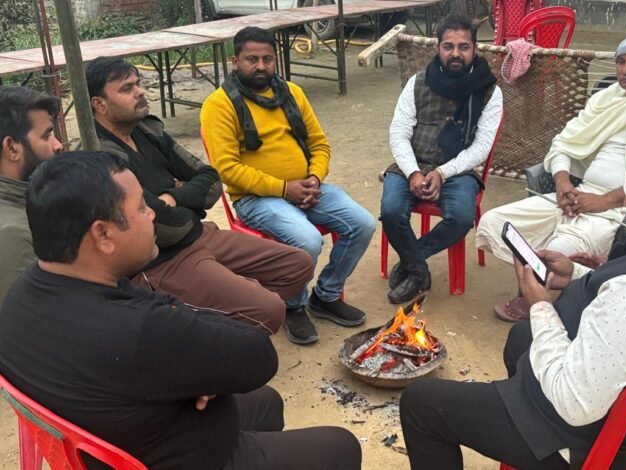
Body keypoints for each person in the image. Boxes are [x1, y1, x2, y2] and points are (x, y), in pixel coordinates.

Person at [399, 129, 626, 470]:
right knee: (521, 338)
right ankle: (517, 408)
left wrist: (540, 305)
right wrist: (576, 275)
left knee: (422, 404)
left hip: (587, 439)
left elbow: (575, 404)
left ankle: (530, 431)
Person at [0, 151, 361, 470]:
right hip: (183, 456)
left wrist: (200, 368)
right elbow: (259, 355)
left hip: (125, 431)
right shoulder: (140, 330)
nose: (153, 217)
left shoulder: (21, 295)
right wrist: (202, 363)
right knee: (340, 446)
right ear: (103, 236)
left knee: (265, 402)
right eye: (142, 208)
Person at [475, 29, 626, 321]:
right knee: (496, 222)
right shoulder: (606, 98)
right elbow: (565, 142)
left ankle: (536, 300)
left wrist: (605, 201)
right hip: (575, 197)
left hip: (616, 211)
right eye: (621, 61)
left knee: (556, 251)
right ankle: (541, 286)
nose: (625, 70)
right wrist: (562, 183)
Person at [85, 56, 313, 338]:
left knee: (297, 264)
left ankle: (213, 331)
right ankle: (207, 337)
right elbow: (164, 228)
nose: (140, 91)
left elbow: (211, 179)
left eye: (137, 83)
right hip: (162, 261)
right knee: (269, 310)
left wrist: (172, 197)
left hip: (200, 235)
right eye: (127, 88)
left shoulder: (147, 130)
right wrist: (186, 199)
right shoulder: (100, 158)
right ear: (99, 104)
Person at [200, 27, 375, 344]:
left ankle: (326, 295)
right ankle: (294, 306)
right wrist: (284, 189)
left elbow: (319, 144)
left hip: (307, 189)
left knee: (362, 223)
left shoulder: (292, 93)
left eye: (267, 59)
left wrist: (314, 178)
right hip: (255, 198)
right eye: (252, 59)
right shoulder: (220, 104)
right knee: (307, 240)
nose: (261, 66)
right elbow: (227, 169)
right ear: (235, 61)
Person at [380, 13, 503, 304]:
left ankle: (410, 264)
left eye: (463, 46)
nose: (455, 53)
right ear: (438, 47)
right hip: (412, 164)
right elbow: (399, 132)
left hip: (457, 170)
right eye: (449, 46)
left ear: (475, 49)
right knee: (391, 210)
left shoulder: (489, 91)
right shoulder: (417, 82)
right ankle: (419, 271)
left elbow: (482, 147)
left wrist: (442, 173)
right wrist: (413, 172)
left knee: (461, 217)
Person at [0, 86, 63, 304]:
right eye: (47, 135)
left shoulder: (29, 201)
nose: (58, 145)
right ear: (12, 148)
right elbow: (34, 317)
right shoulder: (13, 233)